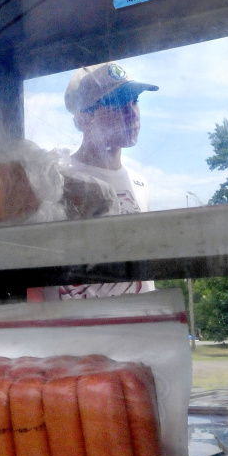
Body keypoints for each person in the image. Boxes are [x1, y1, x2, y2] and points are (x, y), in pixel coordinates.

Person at [36, 60, 159, 300]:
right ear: (83, 117)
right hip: (82, 330)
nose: (131, 112)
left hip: (143, 326)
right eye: (116, 103)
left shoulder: (140, 184)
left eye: (135, 101)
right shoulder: (56, 180)